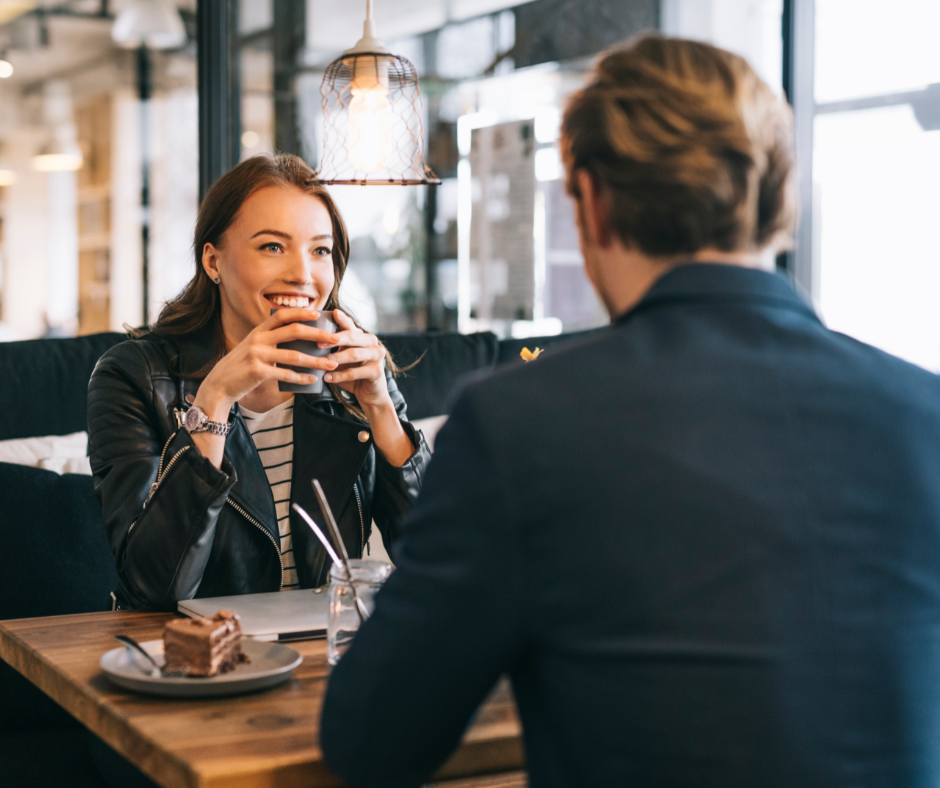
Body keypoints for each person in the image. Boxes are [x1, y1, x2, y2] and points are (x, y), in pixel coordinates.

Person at [319, 34, 940, 788]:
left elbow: (371, 739)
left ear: (592, 201)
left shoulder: (521, 426)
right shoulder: (923, 413)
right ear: (778, 197)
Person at [87, 154, 430, 611]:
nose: (303, 275)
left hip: (324, 648)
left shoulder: (353, 369)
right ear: (213, 261)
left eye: (320, 250)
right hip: (197, 660)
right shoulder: (132, 376)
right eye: (273, 246)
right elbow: (155, 588)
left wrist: (381, 409)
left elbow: (438, 557)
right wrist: (213, 400)